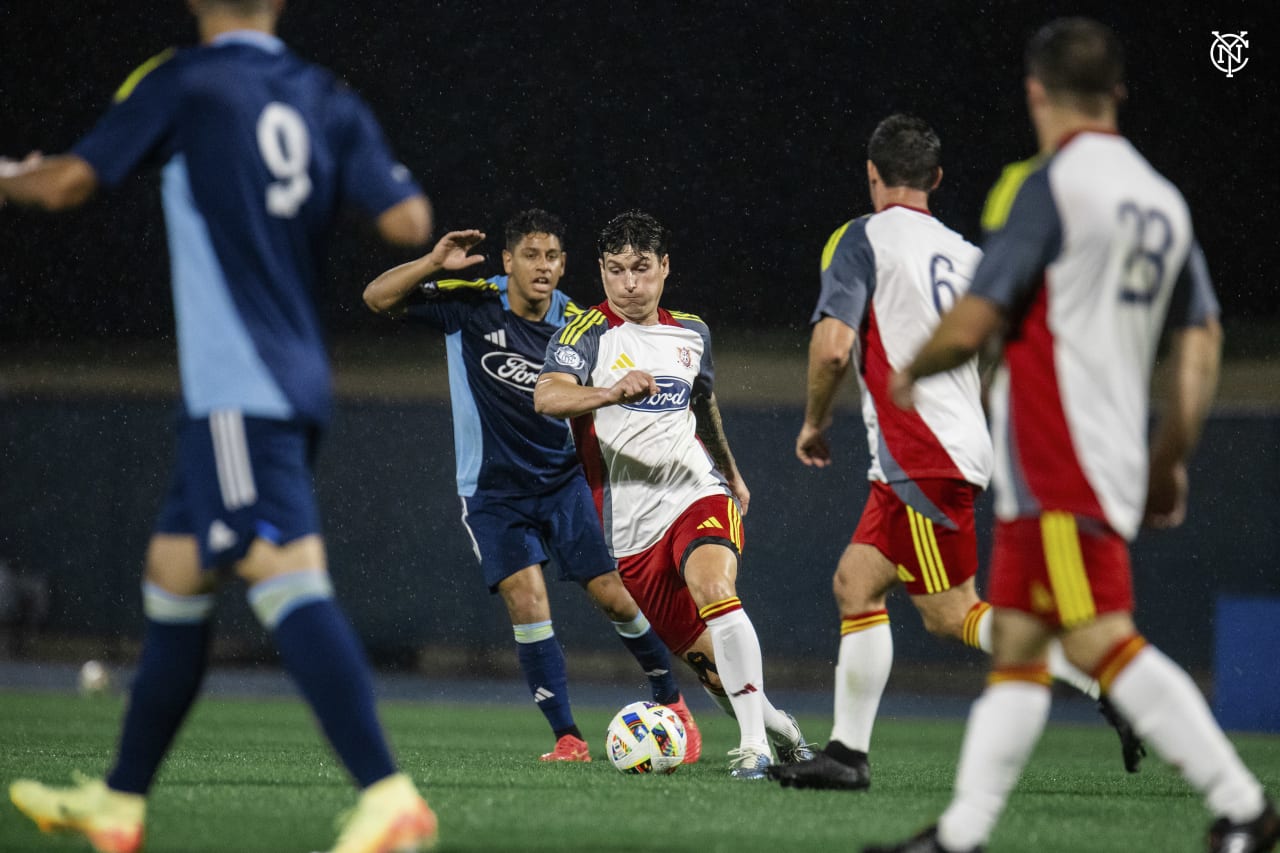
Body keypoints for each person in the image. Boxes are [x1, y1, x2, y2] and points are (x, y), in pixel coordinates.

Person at [1, 2, 441, 851]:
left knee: (279, 571)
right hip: (290, 372)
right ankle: (121, 799)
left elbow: (67, 184)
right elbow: (408, 222)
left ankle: (389, 795)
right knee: (175, 575)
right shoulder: (324, 95)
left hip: (242, 386)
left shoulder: (184, 82)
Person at [864, 18, 1277, 853]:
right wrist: (1171, 456)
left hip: (1057, 457)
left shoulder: (1050, 186)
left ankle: (1244, 805)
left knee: (1100, 638)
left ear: (1036, 93)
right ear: (1117, 93)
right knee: (1016, 641)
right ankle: (962, 833)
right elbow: (1200, 338)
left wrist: (914, 369)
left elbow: (983, 308)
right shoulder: (1162, 198)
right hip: (1105, 451)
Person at [769, 114, 1139, 794]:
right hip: (943, 450)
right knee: (856, 582)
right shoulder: (967, 254)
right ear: (936, 180)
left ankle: (1106, 676)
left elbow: (831, 347)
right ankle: (846, 753)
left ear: (872, 175)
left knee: (952, 612)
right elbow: (1001, 358)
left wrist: (814, 422)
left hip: (921, 455)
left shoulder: (861, 237)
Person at [362, 208, 702, 763]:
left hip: (563, 482)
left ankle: (673, 702)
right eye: (529, 255)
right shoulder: (469, 303)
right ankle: (568, 738)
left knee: (615, 596)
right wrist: (430, 261)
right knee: (527, 598)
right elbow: (376, 298)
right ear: (507, 260)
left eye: (551, 257)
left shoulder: (576, 326)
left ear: (565, 265)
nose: (541, 267)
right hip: (492, 492)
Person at [533, 209, 814, 779]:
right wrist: (610, 392)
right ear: (602, 272)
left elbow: (703, 402)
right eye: (616, 270)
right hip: (629, 530)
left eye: (641, 269)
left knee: (715, 586)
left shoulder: (692, 331)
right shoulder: (585, 335)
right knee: (715, 673)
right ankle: (782, 729)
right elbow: (547, 397)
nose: (629, 283)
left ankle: (755, 749)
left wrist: (730, 473)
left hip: (696, 491)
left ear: (664, 267)